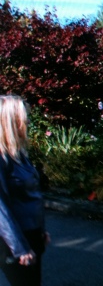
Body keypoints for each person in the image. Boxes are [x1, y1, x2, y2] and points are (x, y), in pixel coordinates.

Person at [0, 94, 50, 286]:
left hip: (31, 234)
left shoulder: (19, 155)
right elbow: (1, 210)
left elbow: (32, 195)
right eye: (22, 116)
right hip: (14, 242)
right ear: (8, 122)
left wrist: (41, 229)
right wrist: (20, 248)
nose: (27, 120)